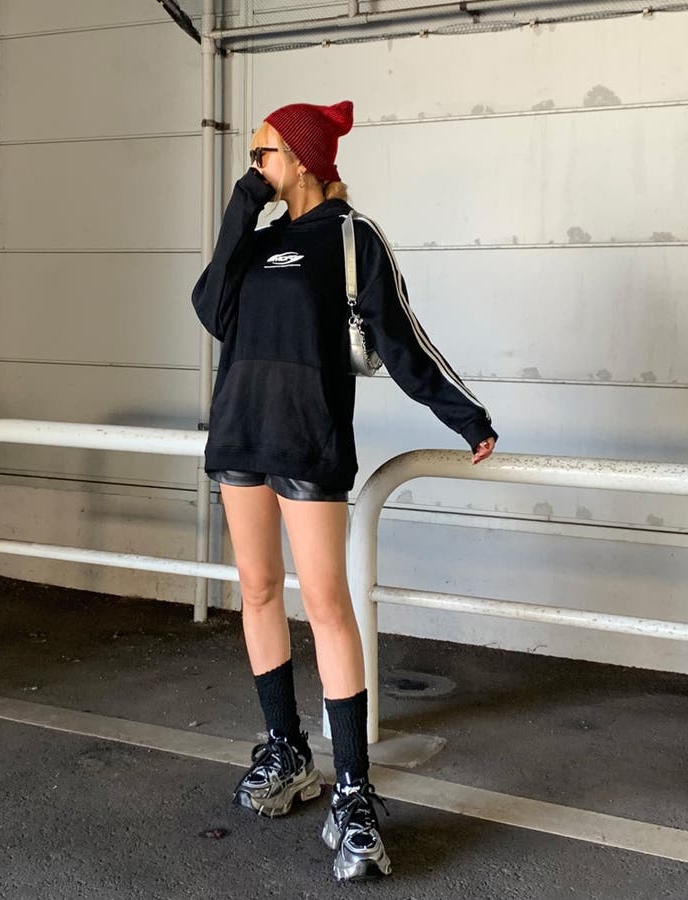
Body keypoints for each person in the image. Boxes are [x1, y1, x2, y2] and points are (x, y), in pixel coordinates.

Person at [191, 100, 497, 882]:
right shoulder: (259, 238)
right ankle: (285, 752)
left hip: (308, 439)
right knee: (258, 591)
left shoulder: (353, 239)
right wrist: (241, 207)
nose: (253, 163)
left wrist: (466, 415)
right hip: (240, 433)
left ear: (298, 157)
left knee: (327, 604)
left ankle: (354, 791)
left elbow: (402, 337)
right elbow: (210, 309)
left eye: (262, 152)